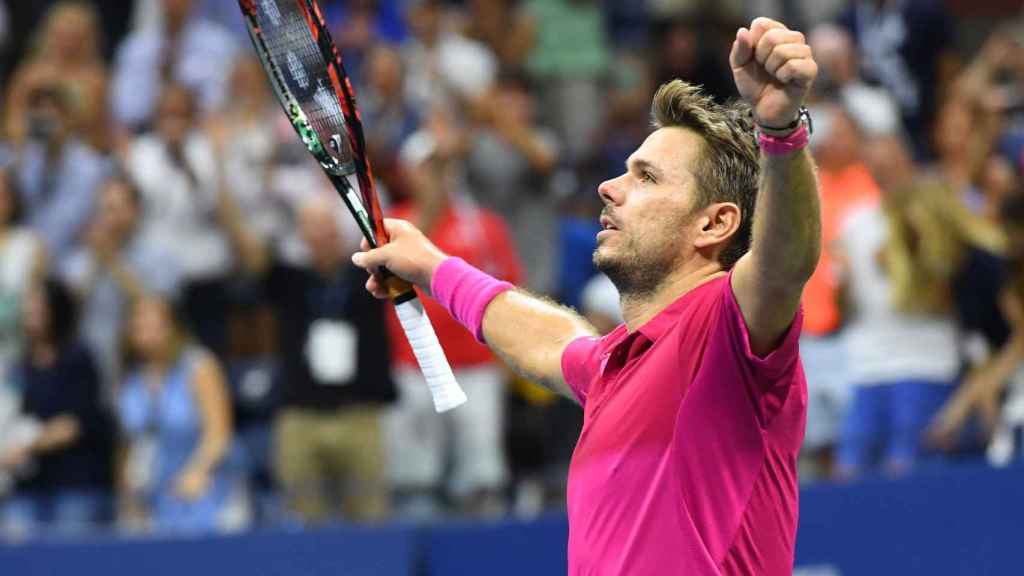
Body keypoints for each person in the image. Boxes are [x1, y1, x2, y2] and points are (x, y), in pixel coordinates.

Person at [354, 17, 819, 575]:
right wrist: (430, 265)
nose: (609, 187)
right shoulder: (611, 366)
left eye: (645, 177)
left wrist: (781, 131)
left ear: (714, 224)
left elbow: (783, 263)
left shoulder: (726, 328)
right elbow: (548, 340)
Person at [836, 132, 1004, 478]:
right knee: (849, 470)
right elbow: (847, 302)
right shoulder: (856, 223)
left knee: (909, 471)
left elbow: (961, 307)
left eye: (891, 161)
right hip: (868, 364)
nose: (885, 171)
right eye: (876, 164)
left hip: (927, 362)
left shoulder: (948, 224)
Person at [385, 126, 523, 519]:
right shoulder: (395, 222)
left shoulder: (483, 225)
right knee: (416, 479)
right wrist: (429, 207)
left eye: (443, 168)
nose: (436, 177)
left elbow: (510, 288)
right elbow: (392, 268)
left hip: (476, 367)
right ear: (410, 173)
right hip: (415, 367)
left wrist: (505, 356)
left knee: (481, 474)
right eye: (428, 168)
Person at [268, 196, 396, 525]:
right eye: (313, 230)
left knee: (370, 515)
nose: (322, 237)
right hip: (301, 416)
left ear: (340, 233)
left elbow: (404, 256)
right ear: (302, 237)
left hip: (360, 412)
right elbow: (248, 256)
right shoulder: (288, 281)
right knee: (302, 519)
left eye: (328, 229)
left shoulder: (367, 276)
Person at [117, 294, 241, 534]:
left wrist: (197, 472)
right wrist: (128, 496)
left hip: (202, 492)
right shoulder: (130, 378)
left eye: (153, 322)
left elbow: (219, 433)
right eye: (138, 322)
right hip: (151, 497)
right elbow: (128, 444)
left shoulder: (198, 366)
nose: (145, 328)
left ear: (172, 326)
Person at [1, 279, 114, 537]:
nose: (30, 312)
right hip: (30, 487)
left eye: (38, 306)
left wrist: (26, 446)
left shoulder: (78, 358)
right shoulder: (21, 363)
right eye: (27, 306)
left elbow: (75, 424)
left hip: (74, 487)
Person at [61, 175, 180, 398]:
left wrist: (112, 262)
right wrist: (94, 265)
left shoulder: (158, 255)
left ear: (134, 211)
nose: (107, 217)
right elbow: (66, 312)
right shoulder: (80, 259)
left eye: (114, 209)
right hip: (90, 363)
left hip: (140, 365)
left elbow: (157, 310)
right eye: (102, 209)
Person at [11, 81, 110, 267]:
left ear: (70, 118)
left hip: (67, 261)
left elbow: (85, 225)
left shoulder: (90, 167)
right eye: (38, 112)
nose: (45, 119)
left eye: (53, 112)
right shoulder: (22, 157)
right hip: (21, 260)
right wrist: (18, 153)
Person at [110, 0, 238, 132]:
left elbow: (221, 104)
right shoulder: (135, 48)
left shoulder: (220, 46)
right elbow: (124, 111)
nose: (174, 2)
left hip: (203, 134)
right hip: (147, 136)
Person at [2, 1, 111, 152]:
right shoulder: (29, 74)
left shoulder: (96, 79)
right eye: (62, 35)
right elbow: (12, 119)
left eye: (74, 37)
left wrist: (66, 125)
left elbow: (100, 132)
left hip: (78, 153)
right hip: (29, 149)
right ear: (49, 34)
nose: (67, 43)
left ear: (87, 39)